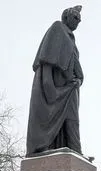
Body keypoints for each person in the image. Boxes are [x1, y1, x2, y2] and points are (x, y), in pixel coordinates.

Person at [26, 6, 84, 156]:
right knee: (49, 116)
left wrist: (79, 78)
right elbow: (47, 58)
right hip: (56, 84)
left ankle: (76, 151)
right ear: (66, 17)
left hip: (70, 87)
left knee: (72, 119)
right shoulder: (58, 29)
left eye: (79, 19)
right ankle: (44, 147)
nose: (79, 21)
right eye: (76, 18)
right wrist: (49, 86)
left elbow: (75, 64)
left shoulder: (71, 38)